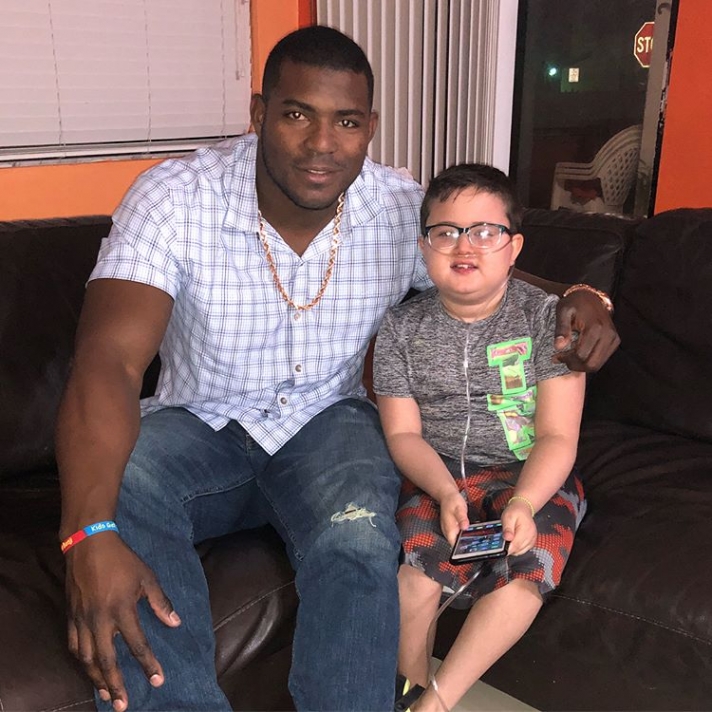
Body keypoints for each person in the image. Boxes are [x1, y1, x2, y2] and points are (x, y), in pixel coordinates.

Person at [55, 25, 615, 712]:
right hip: (200, 423)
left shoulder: (397, 207)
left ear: (369, 128)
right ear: (260, 113)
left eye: (346, 122)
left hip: (330, 423)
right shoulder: (175, 198)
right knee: (125, 480)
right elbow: (109, 361)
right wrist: (87, 532)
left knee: (356, 536)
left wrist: (580, 295)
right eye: (297, 114)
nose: (322, 144)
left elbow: (486, 273)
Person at [373, 163, 587, 712]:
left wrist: (525, 502)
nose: (464, 245)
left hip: (529, 473)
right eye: (445, 232)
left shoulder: (549, 322)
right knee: (415, 577)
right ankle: (408, 690)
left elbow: (558, 436)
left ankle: (438, 702)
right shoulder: (400, 329)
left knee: (525, 573)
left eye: (485, 231)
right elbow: (402, 433)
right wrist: (445, 492)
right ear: (423, 248)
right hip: (438, 471)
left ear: (514, 248)